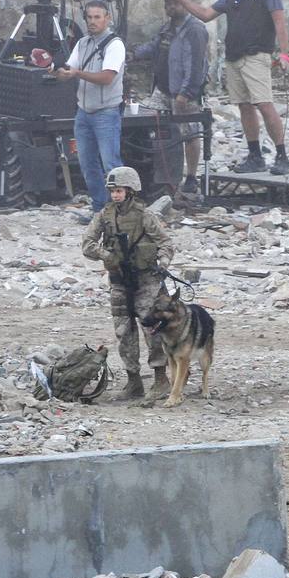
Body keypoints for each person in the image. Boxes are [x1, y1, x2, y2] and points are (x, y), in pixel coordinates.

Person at [164, 0, 289, 175]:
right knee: (243, 105)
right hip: (234, 56)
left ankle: (282, 154)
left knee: (263, 103)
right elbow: (205, 14)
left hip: (256, 54)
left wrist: (284, 53)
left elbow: (279, 21)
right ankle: (255, 155)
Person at [81, 166, 175, 403]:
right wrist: (105, 255)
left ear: (131, 191)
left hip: (146, 279)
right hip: (120, 280)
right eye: (112, 191)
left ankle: (160, 378)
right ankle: (134, 381)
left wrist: (163, 263)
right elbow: (87, 244)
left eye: (120, 190)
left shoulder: (145, 216)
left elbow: (165, 243)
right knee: (124, 332)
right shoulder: (104, 215)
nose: (115, 195)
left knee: (151, 328)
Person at [54, 0, 126, 215]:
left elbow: (107, 77)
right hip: (83, 113)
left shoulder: (115, 45)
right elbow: (69, 69)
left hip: (106, 112)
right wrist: (56, 71)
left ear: (107, 18)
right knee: (87, 165)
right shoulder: (83, 43)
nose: (93, 21)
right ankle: (99, 209)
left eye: (97, 17)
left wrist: (76, 74)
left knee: (111, 164)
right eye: (89, 17)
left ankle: (121, 212)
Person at [134, 0, 209, 195]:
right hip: (163, 89)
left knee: (190, 133)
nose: (171, 7)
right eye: (168, 3)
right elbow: (153, 47)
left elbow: (195, 65)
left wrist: (186, 93)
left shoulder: (194, 30)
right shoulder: (167, 28)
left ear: (186, 4)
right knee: (156, 129)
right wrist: (132, 53)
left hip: (184, 92)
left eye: (175, 3)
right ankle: (164, 176)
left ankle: (191, 177)